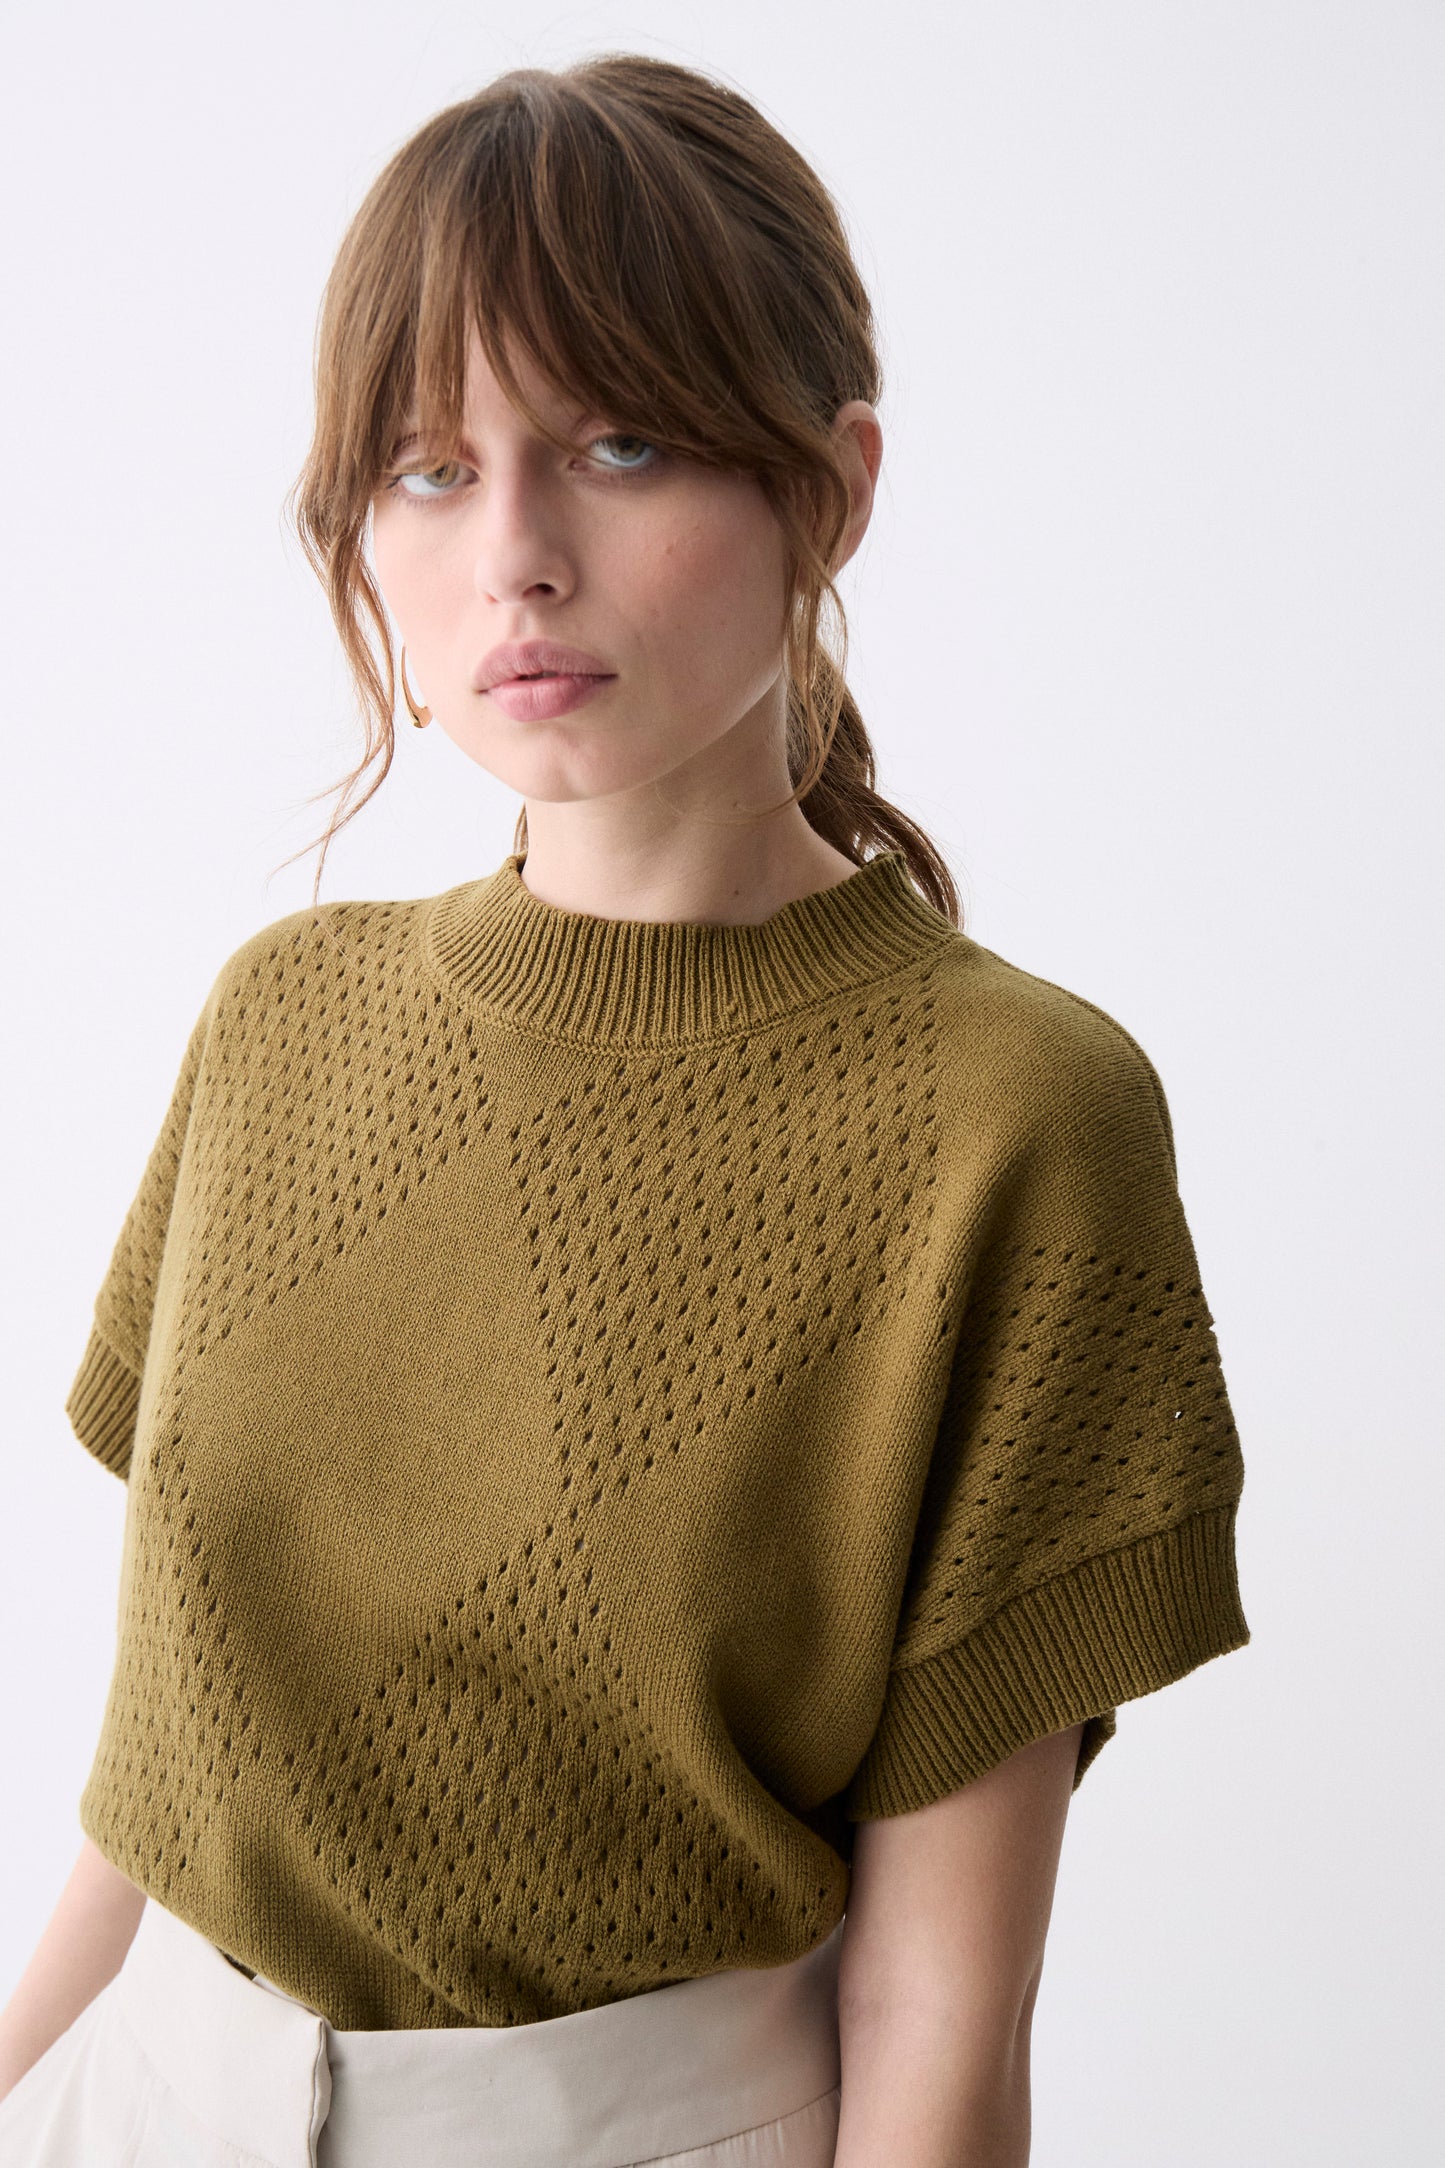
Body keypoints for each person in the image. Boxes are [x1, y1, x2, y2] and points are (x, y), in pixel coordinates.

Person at [0, 50, 1250, 2168]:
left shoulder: (1014, 1121)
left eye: (621, 443)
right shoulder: (282, 1020)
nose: (514, 555)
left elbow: (942, 2018)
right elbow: (166, 1791)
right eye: (426, 468)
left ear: (829, 488)